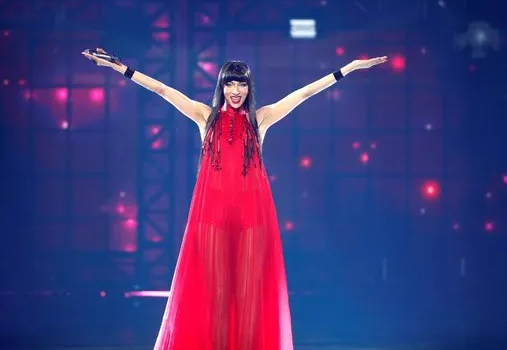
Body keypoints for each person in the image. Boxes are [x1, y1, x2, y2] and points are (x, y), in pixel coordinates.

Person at [82, 49, 387, 350]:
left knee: (248, 299)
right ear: (221, 86)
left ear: (249, 88)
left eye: (242, 84)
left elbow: (303, 94)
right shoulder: (205, 117)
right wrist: (121, 69)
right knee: (213, 299)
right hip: (212, 219)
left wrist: (347, 69)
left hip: (252, 221)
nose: (236, 90)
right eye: (230, 83)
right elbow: (162, 89)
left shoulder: (261, 120)